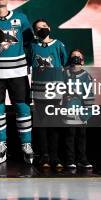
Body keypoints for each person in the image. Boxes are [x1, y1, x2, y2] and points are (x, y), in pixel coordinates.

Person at [0, 0, 35, 164]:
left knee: (23, 108)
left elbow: (30, 43)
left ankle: (26, 144)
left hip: (18, 70)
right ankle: (1, 143)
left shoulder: (21, 18)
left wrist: (28, 64)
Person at [29, 19, 68, 170]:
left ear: (50, 27)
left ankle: (55, 156)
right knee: (41, 126)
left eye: (44, 26)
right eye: (38, 28)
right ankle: (44, 156)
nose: (42, 29)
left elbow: (64, 62)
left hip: (55, 91)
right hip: (39, 92)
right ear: (35, 32)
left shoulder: (58, 45)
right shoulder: (32, 46)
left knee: (54, 125)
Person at [62, 49, 94, 170]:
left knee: (81, 137)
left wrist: (86, 113)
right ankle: (70, 160)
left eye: (78, 56)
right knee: (69, 136)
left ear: (83, 60)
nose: (75, 58)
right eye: (73, 56)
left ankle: (82, 159)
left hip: (81, 114)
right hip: (68, 111)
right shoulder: (64, 74)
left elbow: (89, 96)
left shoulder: (86, 76)